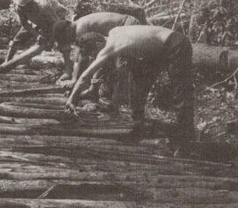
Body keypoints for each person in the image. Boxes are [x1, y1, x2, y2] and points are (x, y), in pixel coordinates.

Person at [65, 25, 196, 150]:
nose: (95, 56)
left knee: (180, 92)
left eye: (93, 53)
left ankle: (185, 140)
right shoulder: (114, 32)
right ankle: (138, 128)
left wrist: (71, 99)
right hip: (157, 50)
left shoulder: (112, 45)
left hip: (176, 44)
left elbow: (85, 76)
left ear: (98, 45)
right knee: (138, 79)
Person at [52, 12, 141, 105]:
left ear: (67, 29)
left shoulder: (80, 28)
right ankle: (94, 91)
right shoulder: (79, 25)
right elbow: (78, 57)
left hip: (128, 25)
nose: (70, 39)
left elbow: (81, 59)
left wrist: (74, 81)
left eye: (66, 37)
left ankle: (118, 101)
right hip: (124, 26)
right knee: (103, 59)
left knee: (118, 63)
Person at [0, 0, 72, 78]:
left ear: (31, 4)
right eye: (22, 8)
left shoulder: (44, 6)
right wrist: (36, 34)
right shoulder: (19, 7)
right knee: (18, 38)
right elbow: (24, 23)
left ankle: (68, 70)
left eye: (26, 8)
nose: (23, 10)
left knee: (62, 39)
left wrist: (50, 40)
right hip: (37, 17)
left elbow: (56, 24)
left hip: (56, 16)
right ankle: (7, 61)